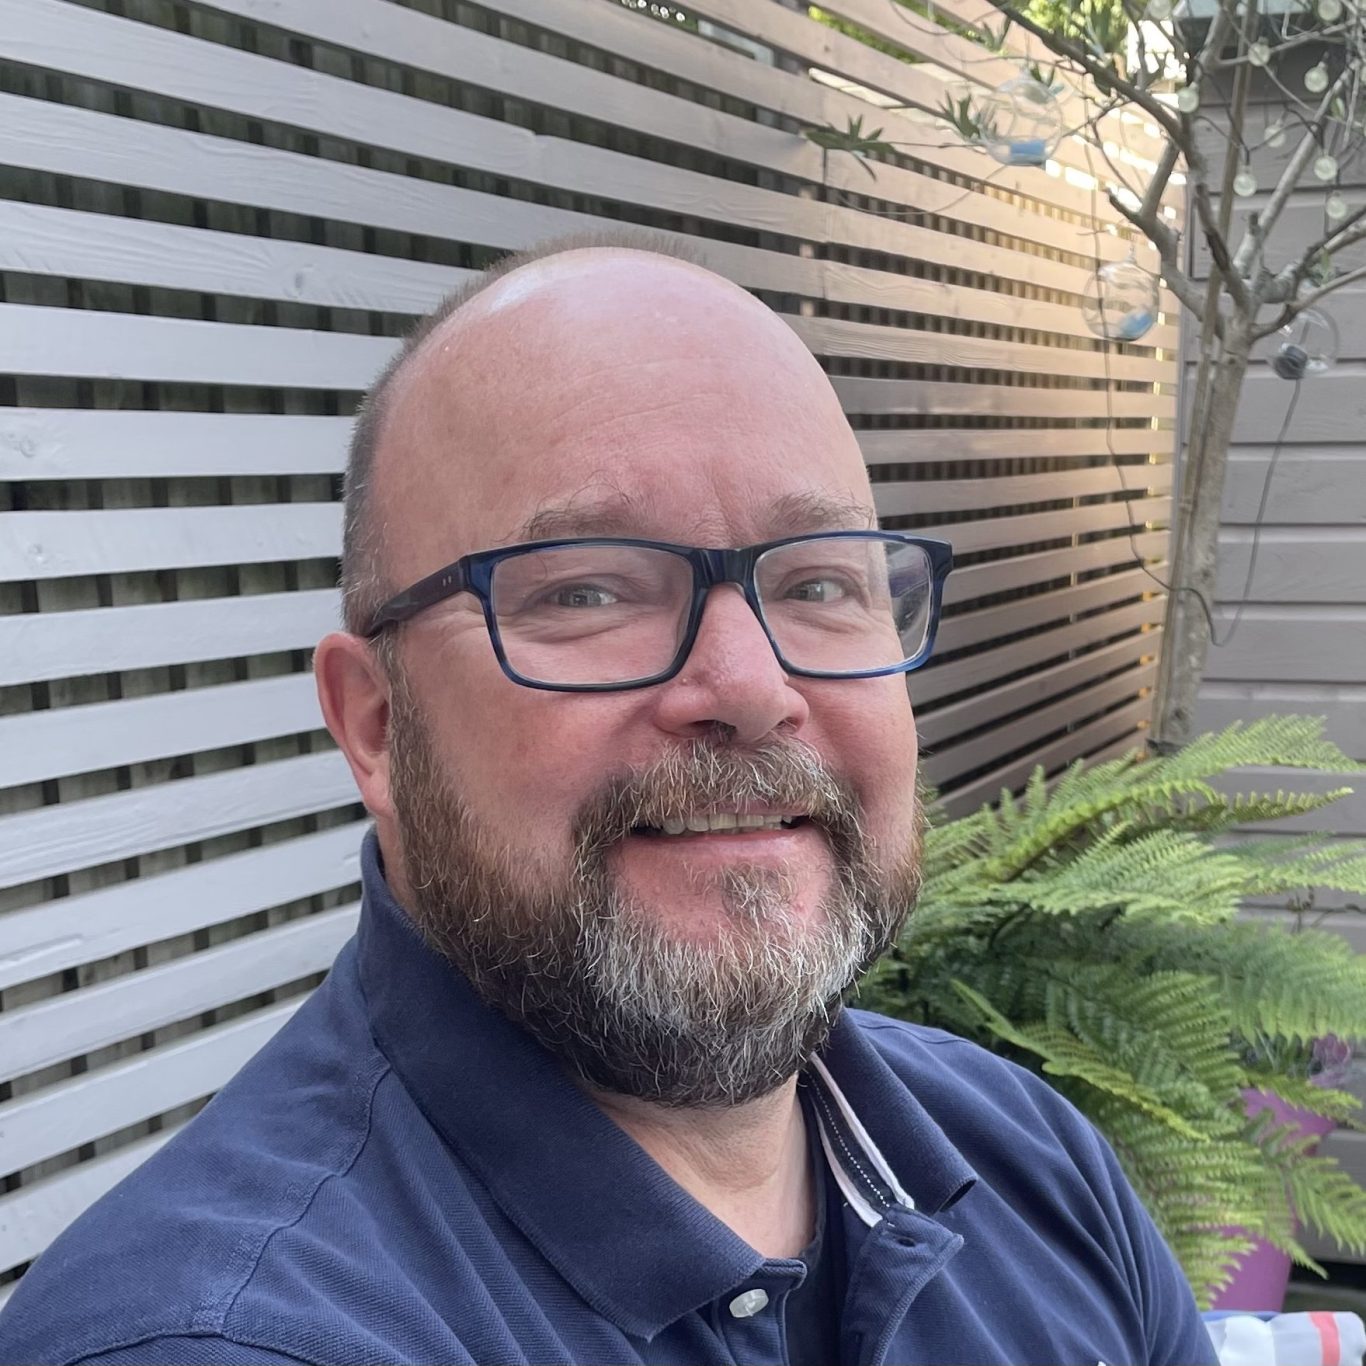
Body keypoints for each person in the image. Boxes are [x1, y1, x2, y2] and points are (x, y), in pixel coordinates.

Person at [0, 234, 1219, 1366]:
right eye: (586, 590)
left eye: (818, 583)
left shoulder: (1029, 1160)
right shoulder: (224, 1339)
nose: (752, 688)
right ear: (375, 725)